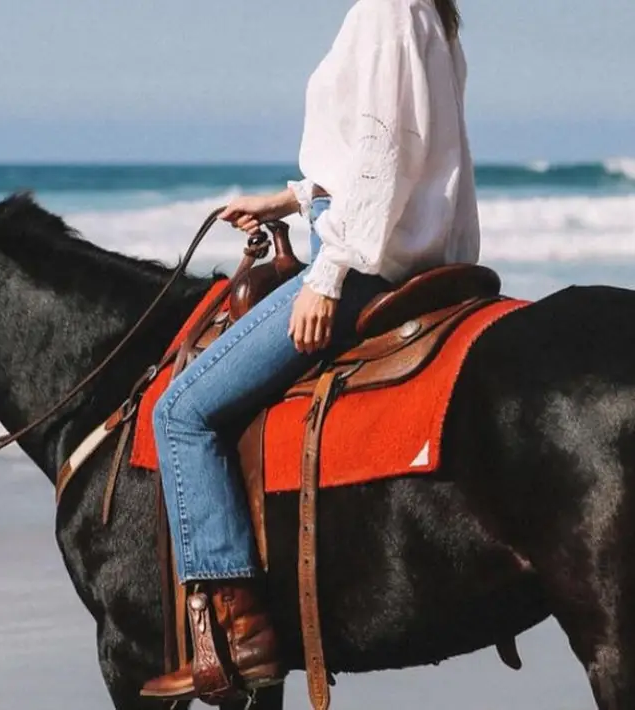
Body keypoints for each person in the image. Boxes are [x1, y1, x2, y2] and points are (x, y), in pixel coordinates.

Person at [142, 0, 480, 699]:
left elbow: (385, 153)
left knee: (179, 412)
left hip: (360, 260)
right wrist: (290, 199)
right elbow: (383, 149)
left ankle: (240, 632)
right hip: (387, 244)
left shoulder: (386, 8)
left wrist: (327, 276)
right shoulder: (428, 12)